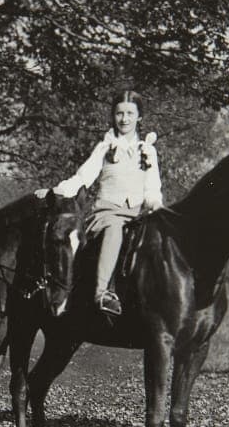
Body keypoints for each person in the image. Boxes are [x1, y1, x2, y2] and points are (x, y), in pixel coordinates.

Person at [42, 91, 163, 315]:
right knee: (115, 230)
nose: (124, 119)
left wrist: (155, 204)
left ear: (139, 117)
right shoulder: (105, 148)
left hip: (138, 214)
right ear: (113, 116)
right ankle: (102, 292)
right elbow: (83, 178)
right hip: (108, 214)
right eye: (119, 113)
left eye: (129, 113)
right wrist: (58, 190)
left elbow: (152, 187)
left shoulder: (148, 151)